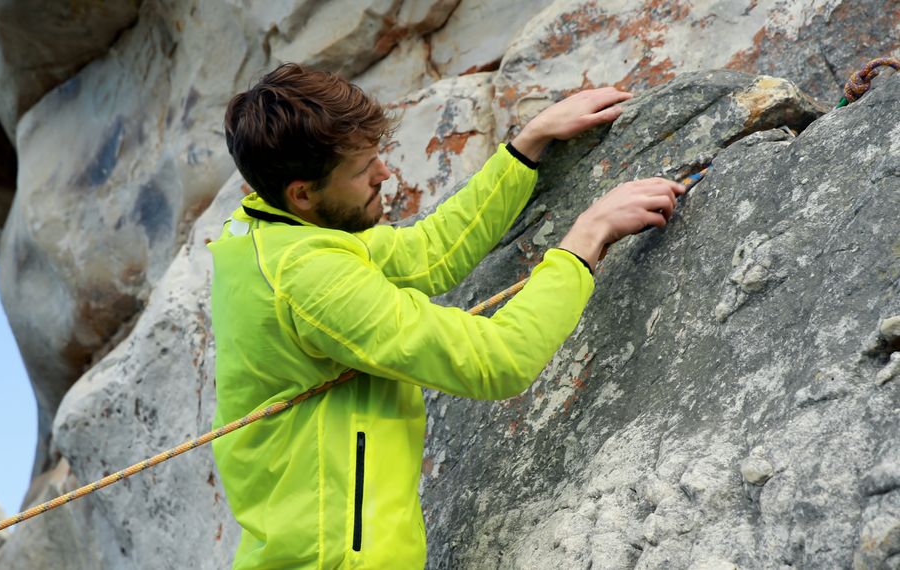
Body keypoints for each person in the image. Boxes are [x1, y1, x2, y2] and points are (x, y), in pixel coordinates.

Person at [209, 63, 685, 569]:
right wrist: (587, 237)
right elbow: (498, 360)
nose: (385, 174)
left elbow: (429, 253)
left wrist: (527, 145)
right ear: (302, 192)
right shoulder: (309, 278)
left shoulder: (269, 230)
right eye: (362, 170)